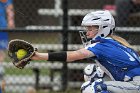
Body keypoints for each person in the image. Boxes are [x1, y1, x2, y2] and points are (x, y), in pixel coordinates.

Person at [31, 10, 140, 93]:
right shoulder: (111, 42)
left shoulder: (102, 45)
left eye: (90, 29)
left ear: (103, 29)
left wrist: (38, 55)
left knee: (92, 88)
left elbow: (73, 56)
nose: (87, 32)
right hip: (130, 82)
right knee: (91, 72)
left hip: (135, 84)